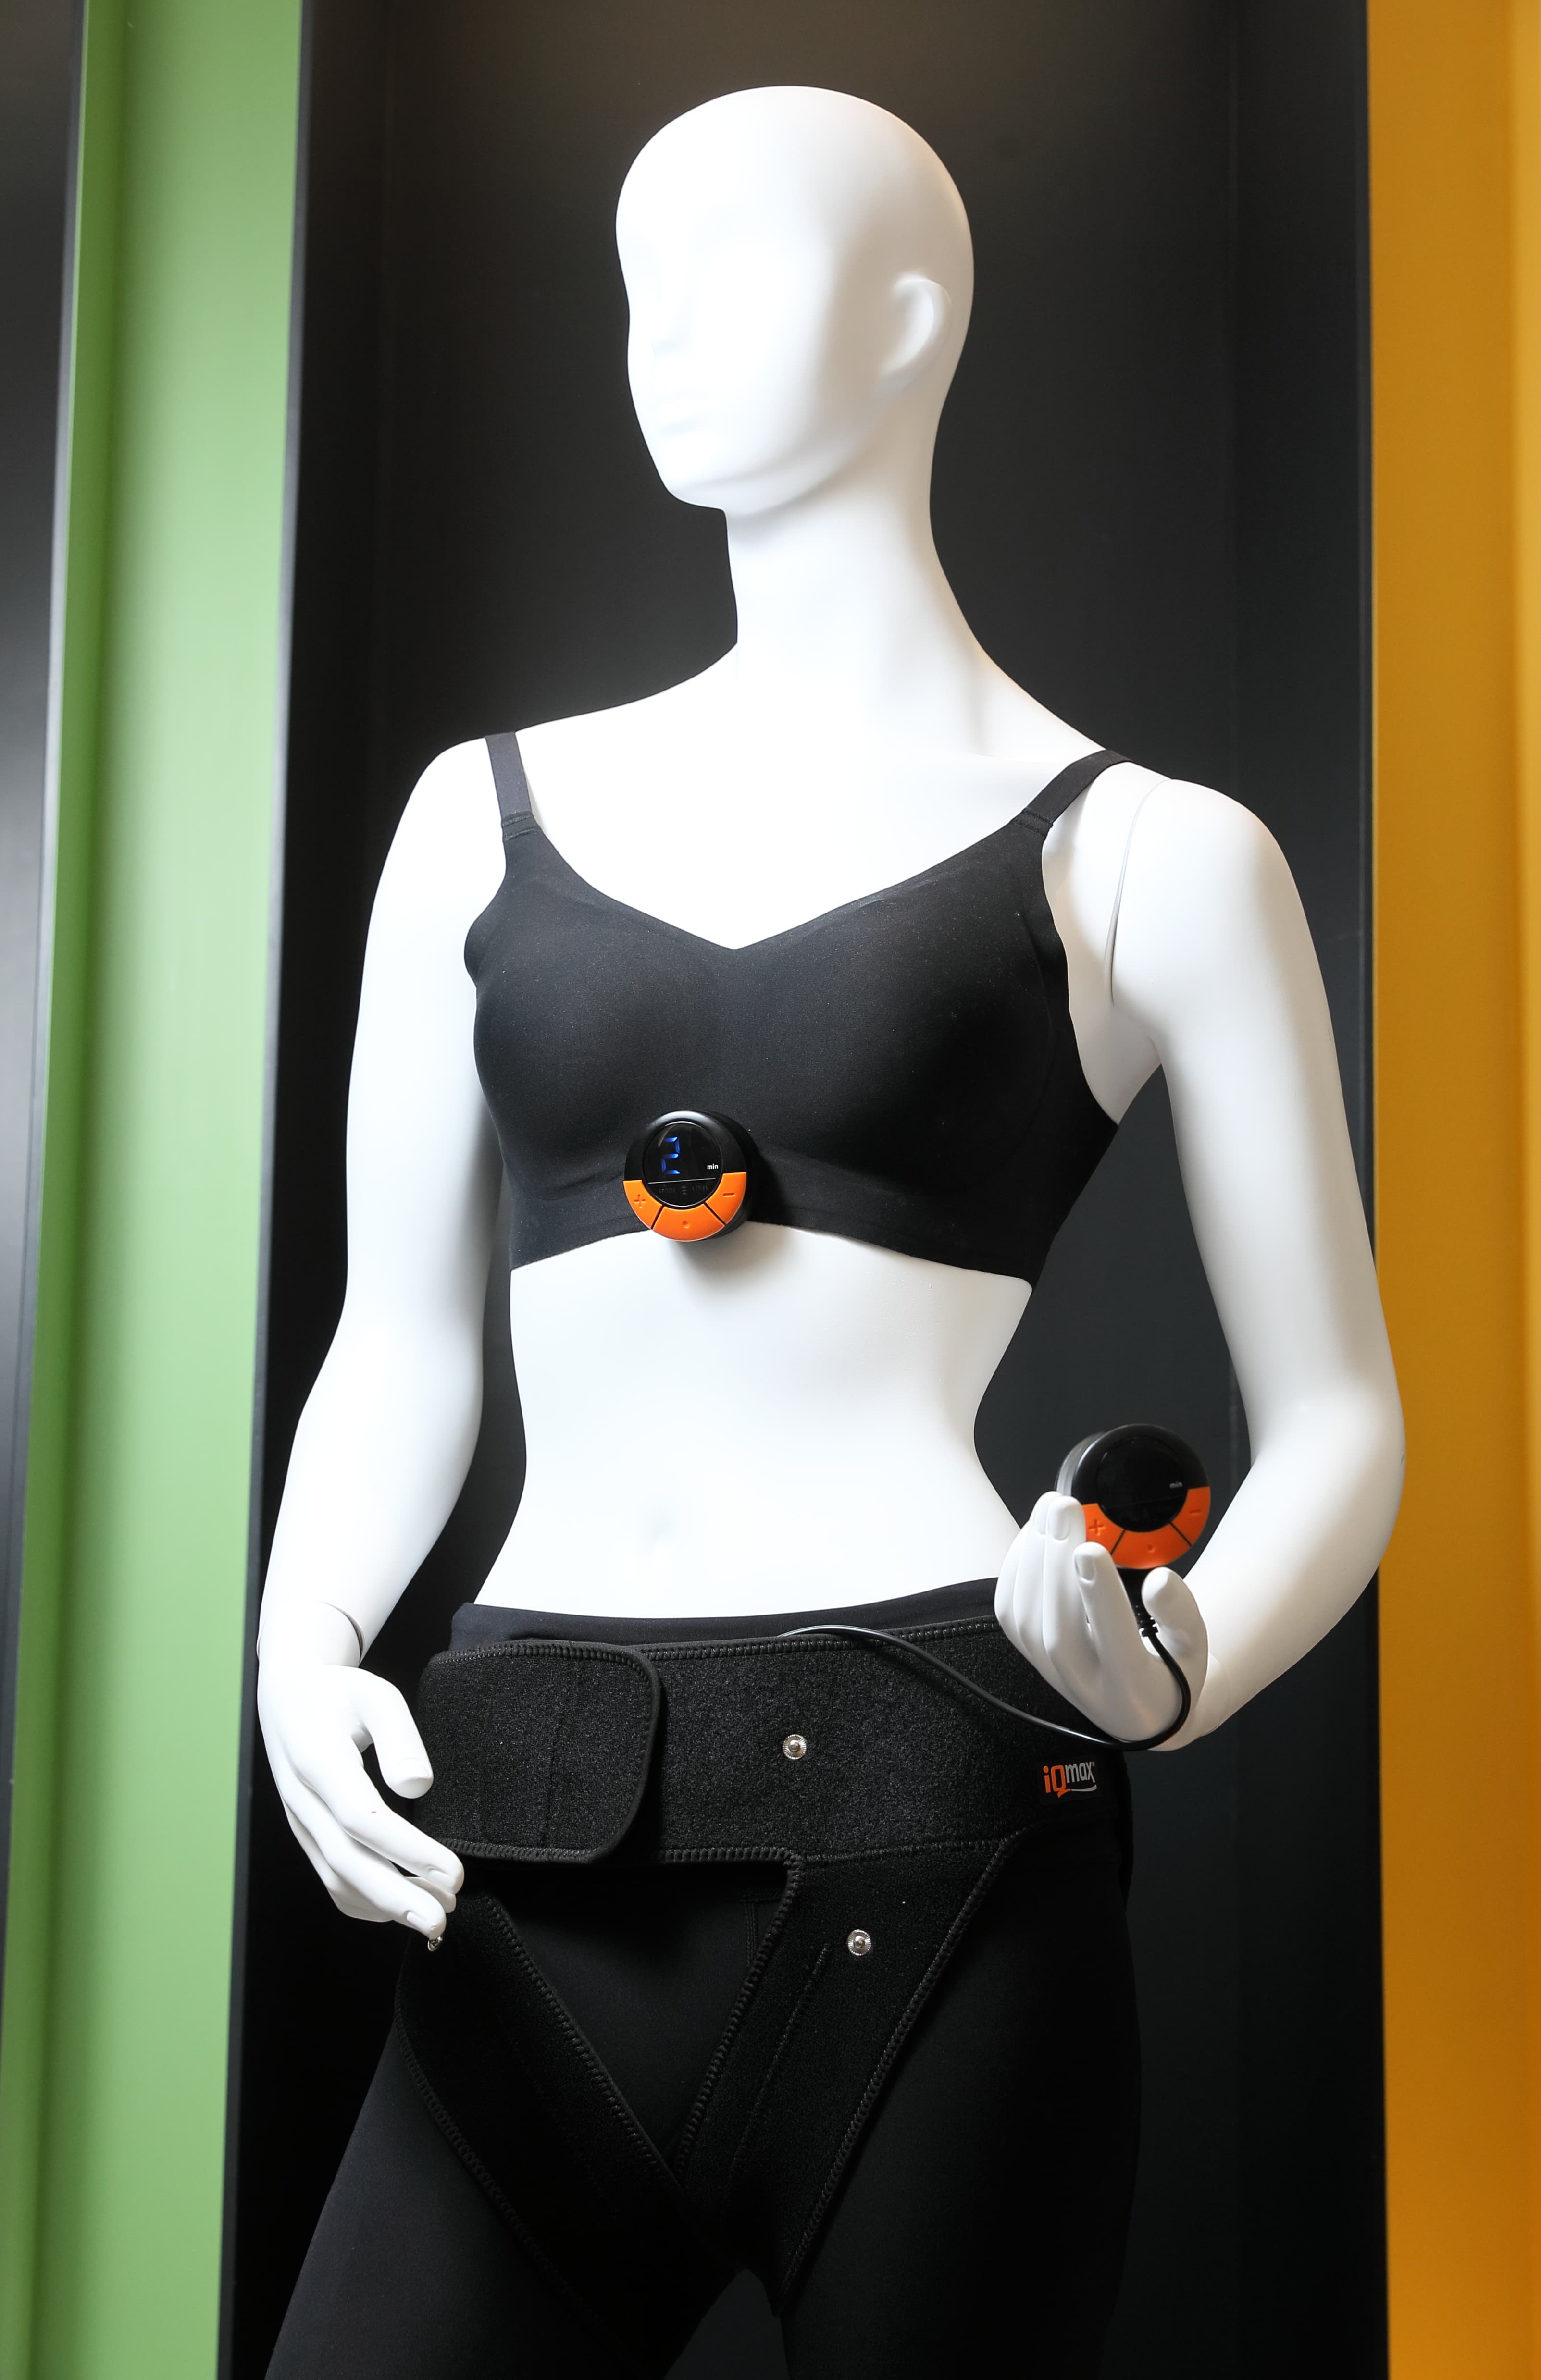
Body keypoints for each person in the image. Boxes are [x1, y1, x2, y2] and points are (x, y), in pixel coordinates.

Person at [258, 85, 1403, 2380]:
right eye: (634, 289)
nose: (664, 336)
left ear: (905, 318)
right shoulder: (476, 821)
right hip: (521, 1841)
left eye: (732, 271)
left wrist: (1179, 1664)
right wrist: (301, 1641)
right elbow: (404, 1340)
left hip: (945, 1846)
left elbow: (1345, 1422)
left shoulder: (1151, 857)